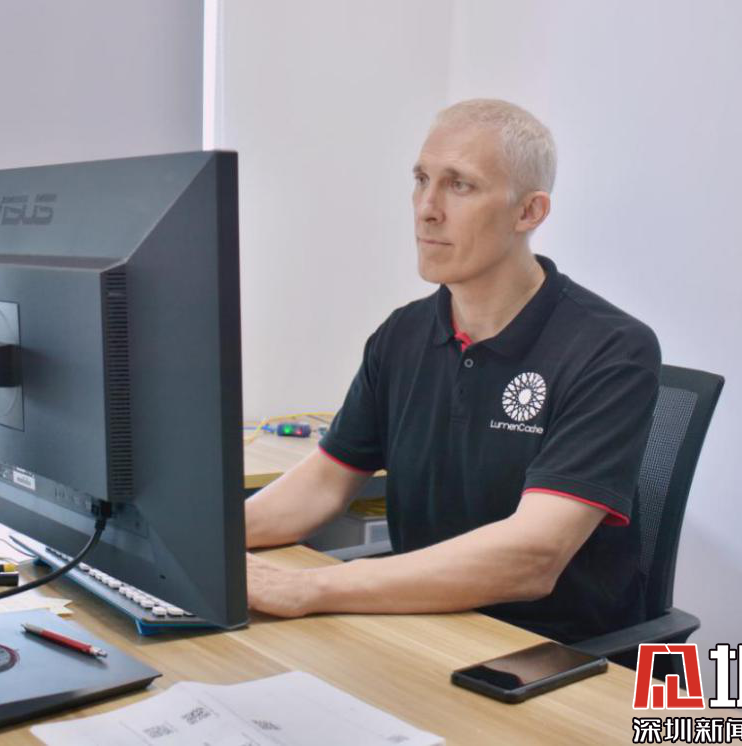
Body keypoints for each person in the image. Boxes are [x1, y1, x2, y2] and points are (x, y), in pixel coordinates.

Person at [244, 99, 660, 644]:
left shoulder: (611, 350)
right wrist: (199, 542)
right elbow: (323, 485)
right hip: (423, 625)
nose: (426, 208)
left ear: (529, 212)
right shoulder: (402, 335)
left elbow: (532, 557)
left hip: (553, 653)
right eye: (421, 180)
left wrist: (313, 588)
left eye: (459, 185)